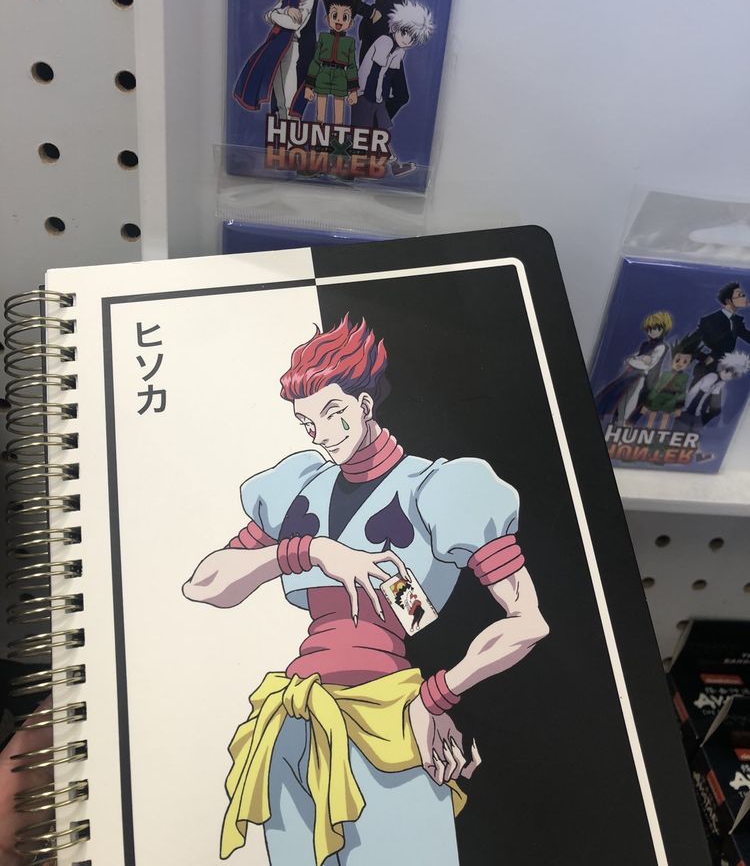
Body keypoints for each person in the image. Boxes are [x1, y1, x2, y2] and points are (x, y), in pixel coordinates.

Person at [183, 315, 548, 866]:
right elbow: (205, 583)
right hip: (291, 722)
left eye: (332, 412)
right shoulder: (298, 486)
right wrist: (310, 552)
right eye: (307, 423)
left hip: (390, 726)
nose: (322, 434)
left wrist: (436, 697)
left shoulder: (437, 488)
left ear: (365, 404)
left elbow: (528, 622)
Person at [233, 0, 318, 120]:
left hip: (293, 45)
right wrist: (284, 11)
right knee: (278, 91)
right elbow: (268, 15)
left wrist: (276, 15)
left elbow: (294, 23)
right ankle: (283, 125)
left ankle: (291, 127)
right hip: (277, 44)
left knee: (289, 92)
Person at [352, 0, 435, 176]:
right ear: (396, 26)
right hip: (365, 93)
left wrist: (380, 100)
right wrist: (376, 100)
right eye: (405, 32)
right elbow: (374, 74)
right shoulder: (385, 42)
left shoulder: (399, 51)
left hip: (376, 95)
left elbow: (388, 76)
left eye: (413, 38)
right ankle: (359, 165)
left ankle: (393, 164)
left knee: (380, 131)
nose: (407, 39)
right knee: (366, 133)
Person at [304, 0, 363, 125]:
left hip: (340, 77)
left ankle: (338, 134)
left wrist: (353, 91)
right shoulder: (323, 37)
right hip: (323, 74)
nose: (339, 21)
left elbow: (352, 66)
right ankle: (319, 132)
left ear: (351, 23)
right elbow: (316, 61)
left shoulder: (349, 42)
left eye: (345, 17)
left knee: (339, 114)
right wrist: (309, 86)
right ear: (328, 18)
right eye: (335, 15)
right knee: (320, 113)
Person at [595, 311, 673, 424]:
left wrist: (636, 360)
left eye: (655, 328)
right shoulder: (645, 344)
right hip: (632, 375)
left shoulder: (662, 346)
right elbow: (635, 357)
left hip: (644, 379)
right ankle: (618, 421)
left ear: (663, 329)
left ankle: (624, 422)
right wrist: (637, 359)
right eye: (649, 329)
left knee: (631, 401)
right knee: (620, 397)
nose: (652, 331)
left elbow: (649, 363)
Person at [683, 282, 750, 381]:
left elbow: (747, 335)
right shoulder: (711, 320)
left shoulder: (736, 321)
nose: (745, 297)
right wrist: (708, 358)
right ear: (728, 301)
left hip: (724, 370)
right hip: (707, 368)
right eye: (741, 295)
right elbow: (690, 343)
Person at [678, 350, 750, 429]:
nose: (730, 376)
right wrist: (696, 414)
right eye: (729, 371)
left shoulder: (720, 382)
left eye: (734, 375)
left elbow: (715, 401)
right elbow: (698, 396)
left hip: (696, 413)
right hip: (689, 411)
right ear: (724, 368)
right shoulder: (712, 377)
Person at [639, 339, 693, 429]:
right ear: (672, 360)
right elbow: (656, 388)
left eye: (685, 362)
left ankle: (662, 430)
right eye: (677, 360)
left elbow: (682, 393)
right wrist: (647, 404)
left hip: (671, 399)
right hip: (659, 396)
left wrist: (678, 407)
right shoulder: (665, 374)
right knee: (653, 412)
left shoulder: (684, 378)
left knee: (666, 415)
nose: (680, 364)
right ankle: (648, 428)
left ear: (688, 364)